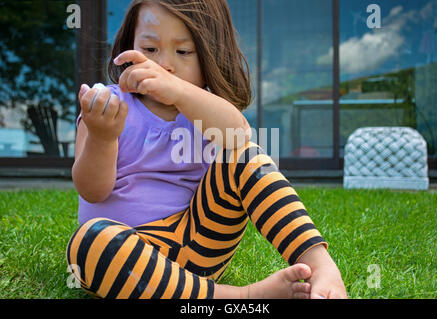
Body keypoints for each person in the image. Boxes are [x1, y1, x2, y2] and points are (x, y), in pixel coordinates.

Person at [66, 0, 347, 299]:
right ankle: (239, 296)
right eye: (149, 50)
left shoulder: (205, 111)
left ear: (210, 55)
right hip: (131, 256)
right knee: (88, 243)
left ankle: (319, 265)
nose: (164, 64)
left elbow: (239, 134)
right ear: (129, 48)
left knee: (245, 155)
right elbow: (92, 191)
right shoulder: (108, 107)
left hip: (199, 246)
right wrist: (102, 138)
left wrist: (178, 91)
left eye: (183, 52)